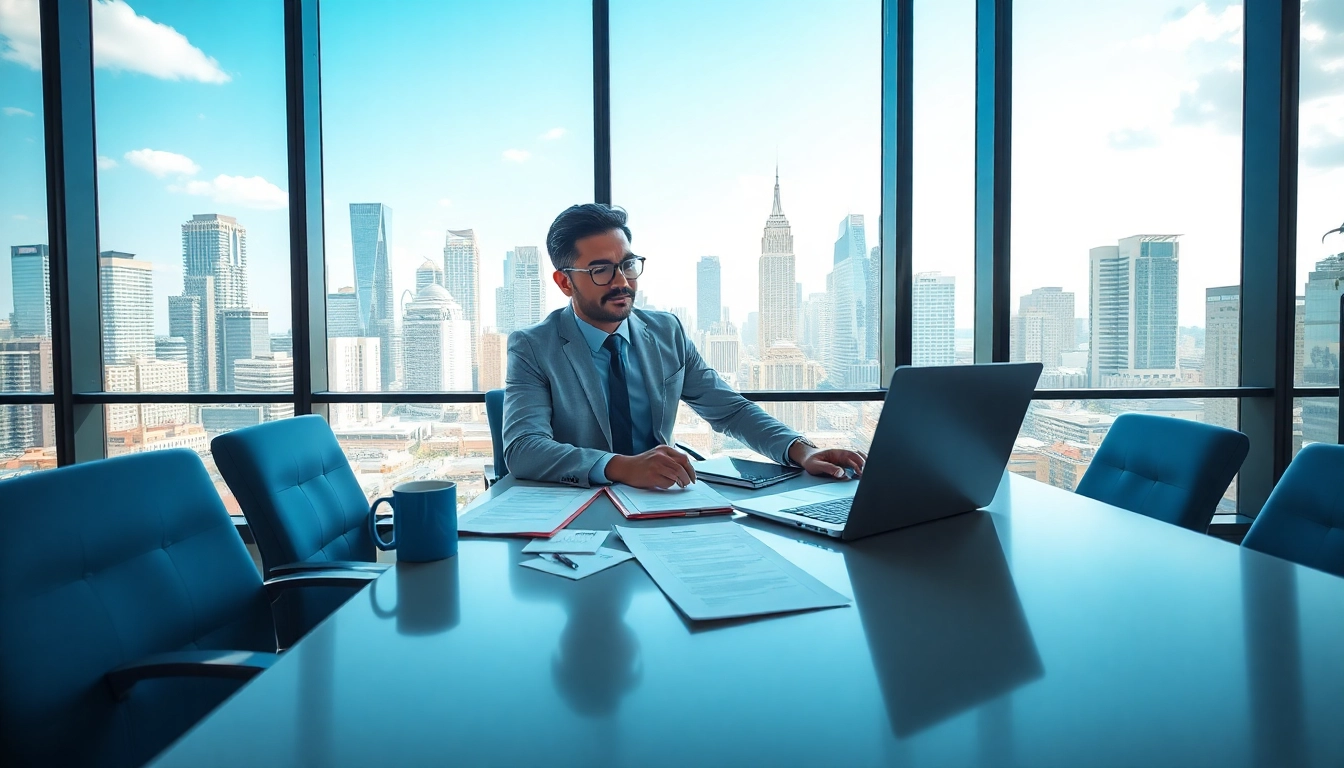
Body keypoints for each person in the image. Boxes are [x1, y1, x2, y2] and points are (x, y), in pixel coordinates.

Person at [502, 203, 866, 490]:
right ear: (565, 282)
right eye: (601, 270)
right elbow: (524, 449)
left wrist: (802, 451)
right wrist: (622, 467)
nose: (621, 281)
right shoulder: (534, 346)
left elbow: (730, 411)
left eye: (627, 265)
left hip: (663, 498)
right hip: (579, 504)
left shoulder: (666, 331)